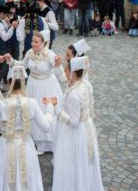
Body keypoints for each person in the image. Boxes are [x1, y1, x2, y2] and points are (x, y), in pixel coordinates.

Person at [0, 65, 56, 191]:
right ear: (24, 81)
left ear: (8, 82)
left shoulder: (1, 105)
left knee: (4, 177)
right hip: (26, 145)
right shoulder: (32, 103)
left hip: (5, 146)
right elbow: (46, 127)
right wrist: (50, 107)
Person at [4, 30, 66, 154]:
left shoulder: (50, 55)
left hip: (47, 86)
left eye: (36, 42)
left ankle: (48, 142)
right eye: (32, 41)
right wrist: (11, 60)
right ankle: (37, 142)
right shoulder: (29, 53)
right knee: (33, 112)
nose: (33, 44)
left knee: (46, 111)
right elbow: (22, 65)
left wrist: (62, 73)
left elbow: (61, 74)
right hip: (33, 85)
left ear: (43, 43)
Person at [52, 56, 103, 191]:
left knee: (72, 161)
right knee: (84, 160)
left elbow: (74, 122)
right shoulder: (86, 84)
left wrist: (57, 110)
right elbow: (90, 108)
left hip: (75, 133)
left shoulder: (74, 95)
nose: (66, 73)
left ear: (73, 72)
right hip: (87, 127)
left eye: (67, 70)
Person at [0, 5, 18, 89]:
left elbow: (3, 29)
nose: (7, 16)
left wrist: (9, 24)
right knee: (3, 67)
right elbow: (5, 37)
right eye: (6, 14)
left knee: (1, 67)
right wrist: (12, 27)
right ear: (2, 13)